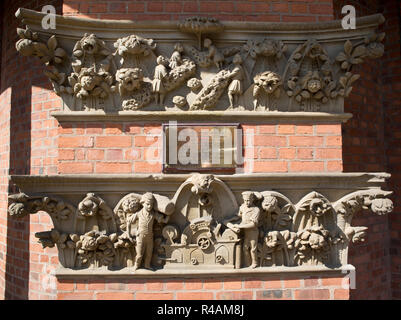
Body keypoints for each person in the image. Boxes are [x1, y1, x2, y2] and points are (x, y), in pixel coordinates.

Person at [127, 192, 169, 270]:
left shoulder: (153, 214)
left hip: (150, 236)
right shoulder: (139, 213)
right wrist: (128, 233)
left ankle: (147, 265)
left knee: (149, 253)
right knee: (139, 253)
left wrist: (168, 214)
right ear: (143, 203)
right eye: (148, 204)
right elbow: (129, 221)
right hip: (140, 236)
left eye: (152, 204)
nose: (150, 206)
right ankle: (137, 265)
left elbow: (164, 220)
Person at [230, 191, 261, 268]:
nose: (247, 202)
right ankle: (247, 264)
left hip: (253, 232)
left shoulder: (256, 210)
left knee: (253, 249)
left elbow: (253, 224)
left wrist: (240, 226)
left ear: (252, 199)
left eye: (248, 200)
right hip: (246, 232)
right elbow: (239, 216)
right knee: (245, 248)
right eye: (245, 200)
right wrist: (230, 220)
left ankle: (255, 263)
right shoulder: (242, 207)